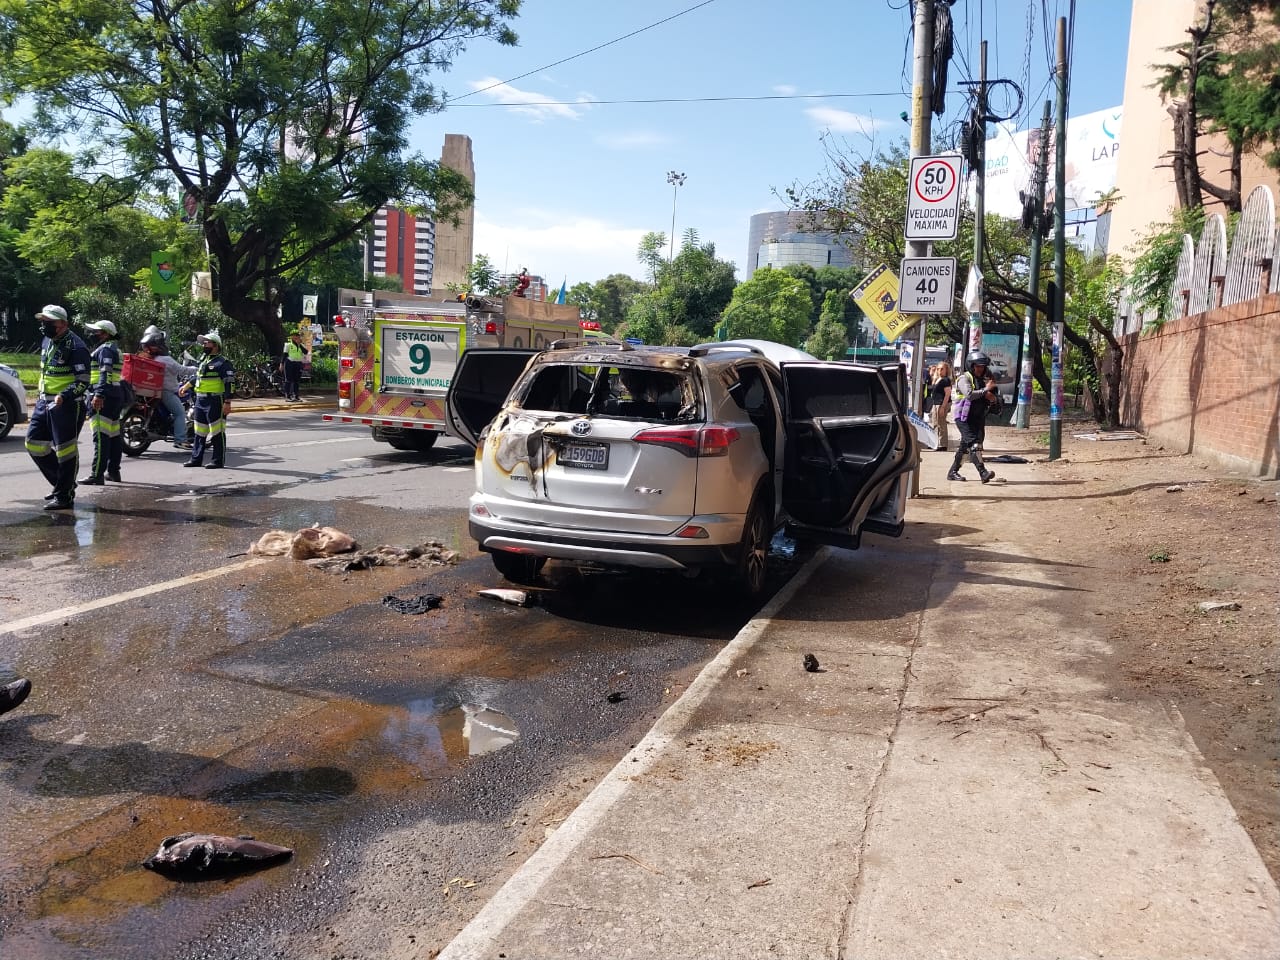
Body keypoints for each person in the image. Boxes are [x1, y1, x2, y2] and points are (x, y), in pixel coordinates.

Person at [26, 305, 90, 510]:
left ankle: (64, 495)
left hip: (66, 405)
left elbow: (83, 381)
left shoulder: (76, 346)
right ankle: (63, 483)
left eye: (49, 322)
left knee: (65, 451)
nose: (44, 326)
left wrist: (65, 395)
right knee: (34, 443)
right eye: (43, 321)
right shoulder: (47, 341)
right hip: (44, 401)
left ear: (63, 324)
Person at [179, 330, 235, 469]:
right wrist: (185, 386)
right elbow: (198, 377)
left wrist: (227, 402)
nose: (204, 344)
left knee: (217, 432)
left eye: (207, 342)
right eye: (204, 342)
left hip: (216, 400)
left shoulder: (223, 363)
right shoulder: (204, 361)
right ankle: (196, 459)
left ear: (215, 345)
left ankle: (217, 461)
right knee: (199, 432)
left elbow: (230, 384)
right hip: (200, 401)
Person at [79, 320, 125, 485]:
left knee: (100, 437)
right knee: (113, 436)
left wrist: (98, 394)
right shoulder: (115, 349)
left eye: (96, 332)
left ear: (105, 333)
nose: (93, 335)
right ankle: (113, 472)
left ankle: (96, 474)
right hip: (115, 395)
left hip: (103, 395)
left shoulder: (105, 350)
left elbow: (105, 373)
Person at [948, 351, 1001, 483]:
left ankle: (953, 472)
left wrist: (993, 398)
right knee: (974, 444)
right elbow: (969, 394)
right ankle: (983, 473)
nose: (980, 369)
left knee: (964, 447)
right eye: (977, 366)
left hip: (977, 417)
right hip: (963, 418)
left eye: (982, 367)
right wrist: (985, 391)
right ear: (971, 366)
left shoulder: (984, 380)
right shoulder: (964, 378)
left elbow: (992, 397)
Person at [140, 329, 195, 448]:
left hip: (150, 392)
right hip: (166, 391)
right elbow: (182, 370)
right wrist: (198, 369)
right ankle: (180, 440)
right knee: (179, 413)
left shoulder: (146, 359)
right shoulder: (166, 360)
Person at [929, 361, 954, 452]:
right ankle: (936, 442)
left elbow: (947, 394)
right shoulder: (937, 379)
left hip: (941, 403)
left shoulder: (946, 380)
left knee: (941, 423)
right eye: (938, 369)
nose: (940, 370)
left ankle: (943, 444)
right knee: (935, 423)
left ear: (946, 370)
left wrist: (943, 407)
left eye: (942, 369)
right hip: (936, 403)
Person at [280, 329, 306, 402]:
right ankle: (288, 396)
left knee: (296, 381)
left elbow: (306, 352)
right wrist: (281, 364)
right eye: (294, 336)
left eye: (297, 336)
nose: (295, 337)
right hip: (289, 363)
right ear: (291, 337)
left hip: (298, 363)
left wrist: (299, 345)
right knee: (288, 380)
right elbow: (284, 355)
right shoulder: (288, 345)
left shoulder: (301, 345)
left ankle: (296, 396)